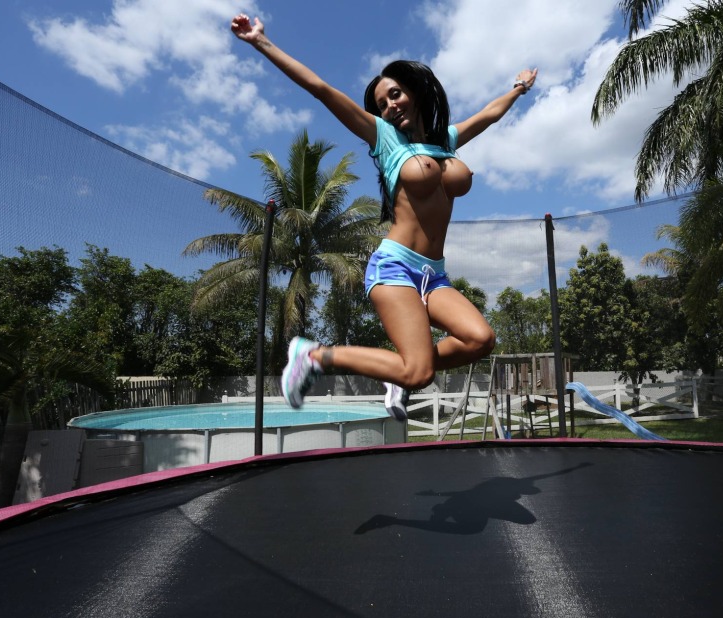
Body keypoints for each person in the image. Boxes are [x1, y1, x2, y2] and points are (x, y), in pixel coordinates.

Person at [230, 14, 537, 421]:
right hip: (395, 267)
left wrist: (518, 88)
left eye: (395, 95)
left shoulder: (446, 138)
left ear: (413, 91)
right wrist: (260, 42)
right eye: (382, 103)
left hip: (434, 275)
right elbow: (320, 89)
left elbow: (490, 113)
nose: (390, 105)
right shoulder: (385, 140)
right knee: (419, 372)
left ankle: (399, 372)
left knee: (481, 339)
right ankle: (315, 356)